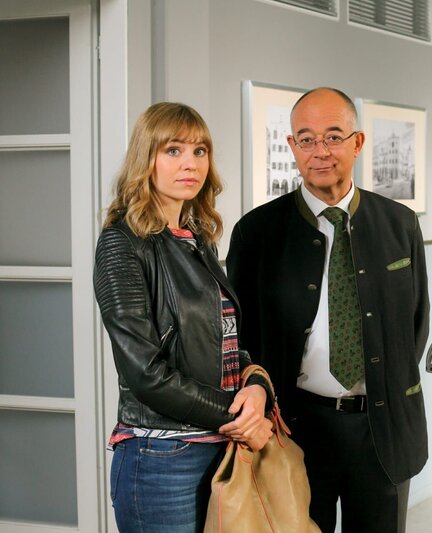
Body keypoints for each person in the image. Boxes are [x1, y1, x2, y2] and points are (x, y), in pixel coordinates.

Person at [226, 87, 430, 533]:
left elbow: (414, 324)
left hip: (380, 431)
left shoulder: (399, 223)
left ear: (357, 143)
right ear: (292, 148)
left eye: (334, 137)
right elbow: (240, 337)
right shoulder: (256, 232)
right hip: (294, 429)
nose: (320, 152)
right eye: (307, 139)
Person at [94, 102, 274, 532]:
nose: (190, 164)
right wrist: (240, 417)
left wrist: (257, 385)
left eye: (199, 151)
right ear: (146, 158)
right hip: (161, 461)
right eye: (173, 150)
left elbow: (227, 341)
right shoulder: (123, 244)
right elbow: (145, 373)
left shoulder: (196, 239)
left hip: (218, 449)